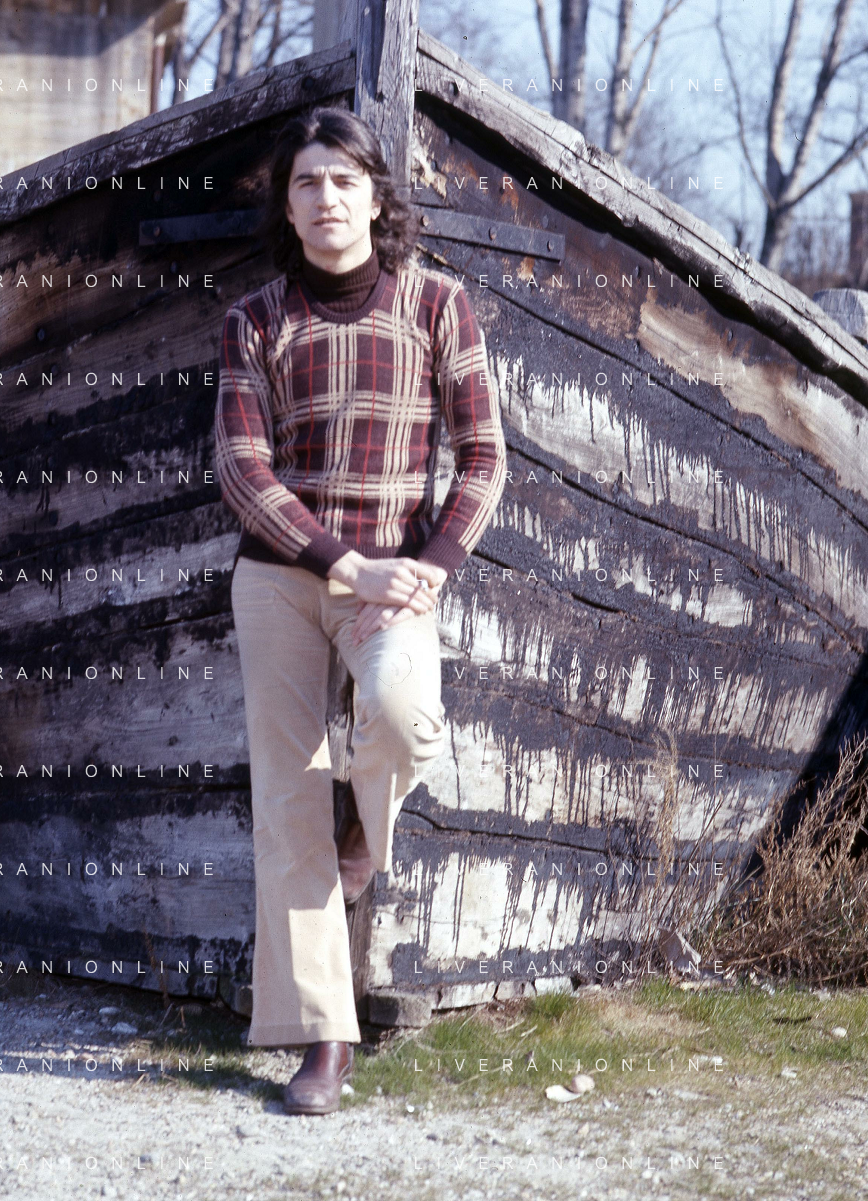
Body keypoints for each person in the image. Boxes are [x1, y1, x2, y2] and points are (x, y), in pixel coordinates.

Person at [214, 106, 507, 1115]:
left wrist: (428, 567)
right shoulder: (255, 320)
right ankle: (325, 1037)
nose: (325, 198)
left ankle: (361, 851)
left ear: (376, 199)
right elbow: (242, 471)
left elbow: (484, 455)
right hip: (281, 578)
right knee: (287, 795)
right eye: (306, 182)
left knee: (399, 715)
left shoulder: (436, 305)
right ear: (287, 206)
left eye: (343, 180)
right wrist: (346, 566)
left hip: (399, 579)